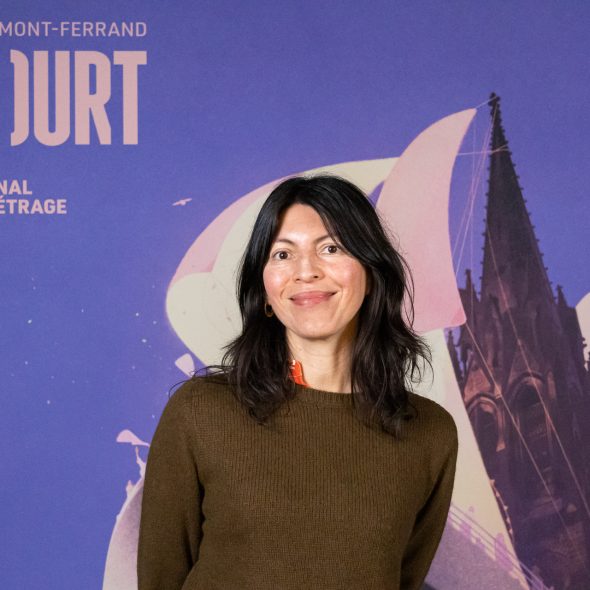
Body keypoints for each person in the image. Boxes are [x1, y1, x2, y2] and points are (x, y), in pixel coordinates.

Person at [137, 174, 459, 590]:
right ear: (265, 291)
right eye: (283, 254)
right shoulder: (200, 412)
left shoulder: (430, 432)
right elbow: (160, 578)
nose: (305, 271)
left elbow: (401, 578)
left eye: (331, 248)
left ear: (371, 273)